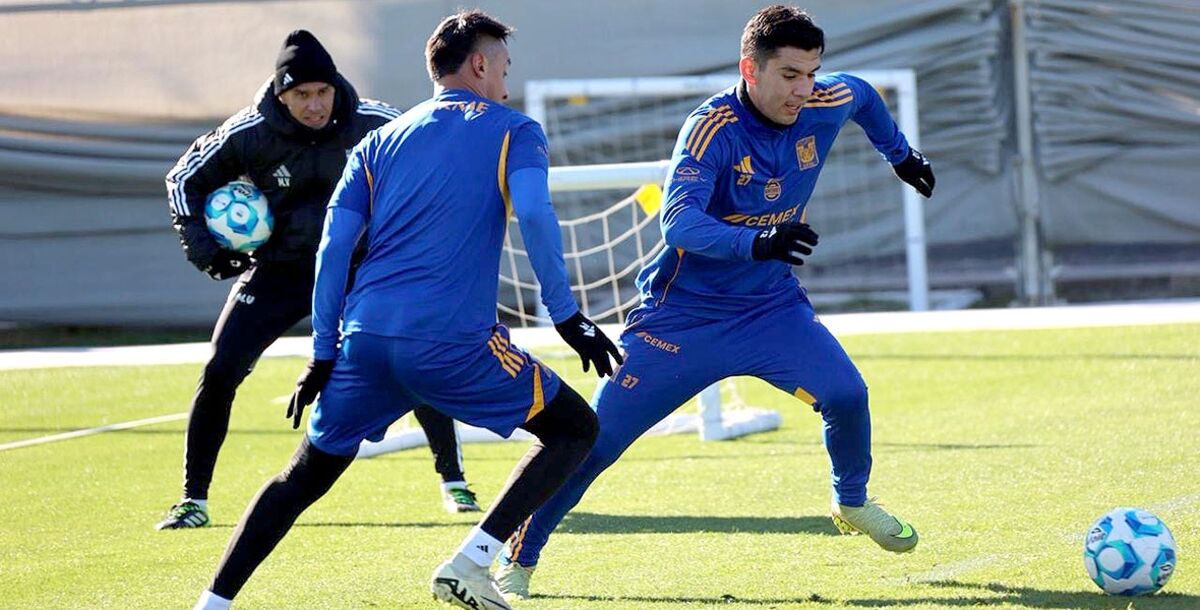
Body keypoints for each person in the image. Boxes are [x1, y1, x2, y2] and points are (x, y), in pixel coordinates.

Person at [496, 4, 936, 599]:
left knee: (848, 394)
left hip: (770, 309)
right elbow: (677, 224)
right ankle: (518, 561)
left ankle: (851, 502)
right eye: (789, 76)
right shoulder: (712, 128)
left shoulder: (827, 100)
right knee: (593, 444)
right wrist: (757, 241)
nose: (803, 91)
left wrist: (900, 154)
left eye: (811, 74)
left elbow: (863, 98)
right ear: (748, 69)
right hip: (682, 320)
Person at [191, 10, 621, 610]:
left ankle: (212, 603)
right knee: (575, 428)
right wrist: (567, 315)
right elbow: (537, 218)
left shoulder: (376, 142)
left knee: (300, 479)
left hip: (364, 340)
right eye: (502, 65)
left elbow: (333, 250)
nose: (505, 77)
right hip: (452, 342)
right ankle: (472, 562)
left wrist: (323, 351)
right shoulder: (514, 129)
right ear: (478, 64)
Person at [160, 30, 482, 530]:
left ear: (335, 88)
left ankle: (454, 479)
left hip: (362, 272)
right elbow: (182, 179)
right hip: (280, 270)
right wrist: (206, 250)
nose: (314, 105)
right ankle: (193, 499)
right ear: (281, 93)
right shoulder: (248, 133)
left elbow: (437, 166)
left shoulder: (378, 123)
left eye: (322, 92)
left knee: (410, 361)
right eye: (301, 94)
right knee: (221, 369)